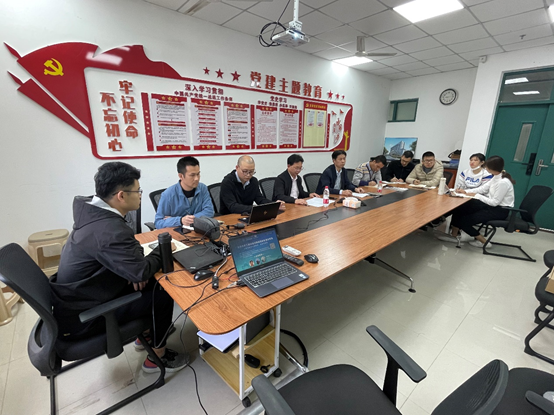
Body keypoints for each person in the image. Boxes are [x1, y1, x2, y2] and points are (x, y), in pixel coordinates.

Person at [50, 162, 187, 373]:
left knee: (150, 281)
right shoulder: (108, 229)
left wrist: (132, 269)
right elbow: (141, 271)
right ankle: (157, 357)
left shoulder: (94, 213)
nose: (140, 195)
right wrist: (164, 249)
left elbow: (131, 257)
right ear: (121, 196)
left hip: (84, 294)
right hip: (85, 316)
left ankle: (148, 334)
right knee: (162, 293)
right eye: (138, 191)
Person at [438, 156, 515, 248]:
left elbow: (494, 202)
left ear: (492, 168)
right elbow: (482, 189)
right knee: (461, 207)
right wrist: (465, 192)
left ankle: (485, 243)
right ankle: (453, 235)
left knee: (464, 221)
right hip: (491, 206)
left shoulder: (503, 182)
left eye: (487, 166)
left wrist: (476, 196)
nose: (485, 168)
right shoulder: (496, 177)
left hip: (499, 211)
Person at [154, 156, 214, 229]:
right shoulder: (167, 195)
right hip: (178, 232)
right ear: (181, 176)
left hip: (199, 229)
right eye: (192, 175)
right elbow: (158, 223)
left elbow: (209, 211)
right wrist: (180, 220)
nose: (196, 178)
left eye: (198, 174)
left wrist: (187, 220)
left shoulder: (202, 188)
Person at [220, 155, 285, 214]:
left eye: (251, 171)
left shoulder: (253, 181)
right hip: (228, 217)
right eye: (245, 171)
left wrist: (274, 204)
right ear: (237, 168)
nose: (248, 175)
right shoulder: (227, 182)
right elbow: (232, 206)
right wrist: (255, 208)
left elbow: (260, 199)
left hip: (247, 214)